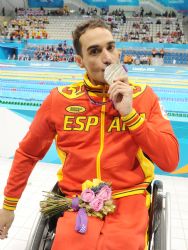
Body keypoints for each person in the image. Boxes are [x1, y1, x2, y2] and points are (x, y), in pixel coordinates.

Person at [0, 19, 179, 250]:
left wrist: (130, 115)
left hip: (129, 198)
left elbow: (171, 160)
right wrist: (8, 206)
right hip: (78, 201)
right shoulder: (60, 100)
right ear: (79, 61)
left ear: (118, 51)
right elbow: (27, 153)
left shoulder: (144, 96)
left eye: (110, 47)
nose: (107, 57)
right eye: (94, 51)